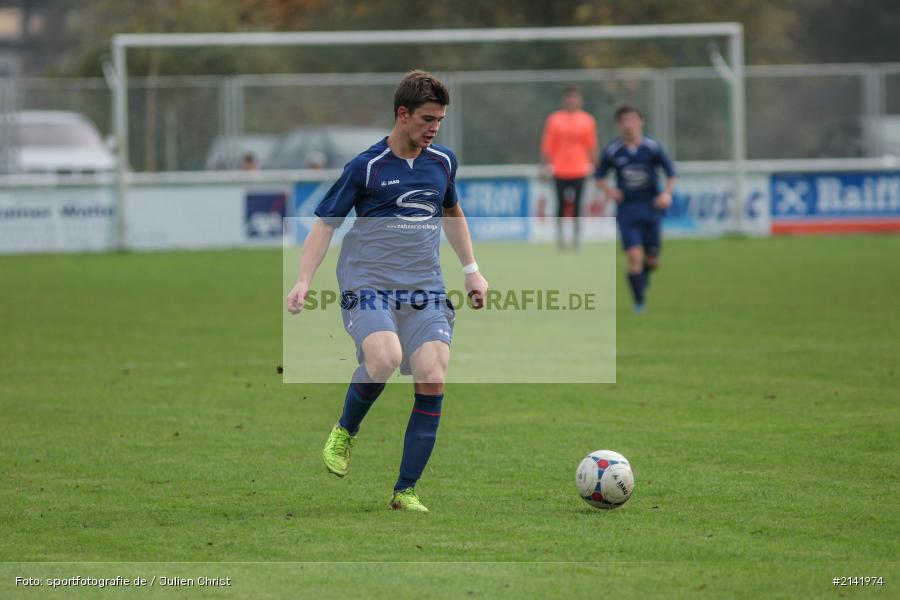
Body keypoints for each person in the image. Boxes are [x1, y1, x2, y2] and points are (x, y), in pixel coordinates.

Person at [285, 70, 489, 512]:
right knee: (384, 358)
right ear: (403, 114)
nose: (434, 128)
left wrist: (472, 270)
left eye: (440, 120)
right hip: (368, 282)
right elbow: (324, 226)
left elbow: (453, 214)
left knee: (433, 374)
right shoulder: (366, 167)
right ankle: (345, 429)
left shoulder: (443, 162)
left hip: (425, 286)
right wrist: (303, 280)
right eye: (427, 119)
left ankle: (405, 491)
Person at [595, 104, 676, 314]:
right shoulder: (613, 150)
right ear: (619, 125)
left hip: (650, 207)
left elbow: (671, 173)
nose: (629, 125)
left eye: (633, 119)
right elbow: (599, 176)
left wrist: (666, 194)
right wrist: (610, 192)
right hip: (627, 209)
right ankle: (639, 302)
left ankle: (641, 277)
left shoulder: (652, 147)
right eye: (625, 120)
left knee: (653, 261)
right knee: (633, 256)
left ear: (641, 122)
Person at [540, 86, 598, 250]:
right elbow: (547, 145)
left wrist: (596, 166)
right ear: (564, 100)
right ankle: (560, 240)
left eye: (575, 98)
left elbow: (591, 145)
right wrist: (544, 166)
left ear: (580, 100)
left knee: (578, 206)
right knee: (560, 205)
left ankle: (576, 239)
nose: (572, 101)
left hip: (580, 170)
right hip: (559, 170)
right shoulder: (554, 119)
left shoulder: (587, 120)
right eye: (569, 98)